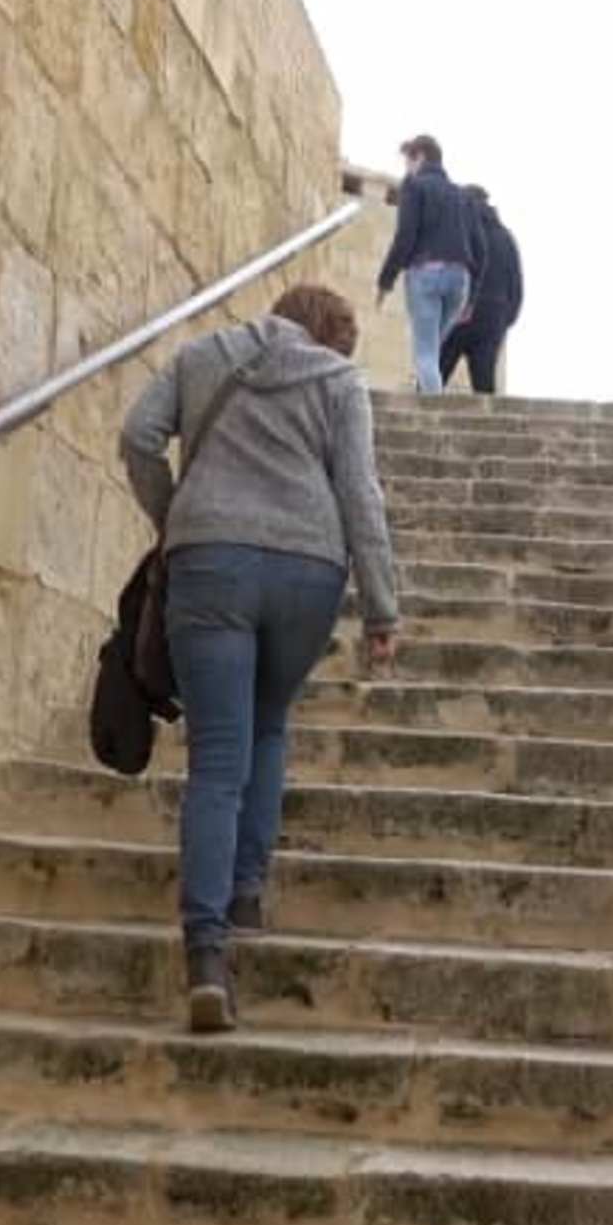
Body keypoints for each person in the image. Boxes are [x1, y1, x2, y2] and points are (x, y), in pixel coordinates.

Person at [120, 285, 400, 1033]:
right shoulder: (339, 381)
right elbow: (360, 494)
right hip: (309, 571)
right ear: (328, 338)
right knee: (269, 724)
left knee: (217, 757)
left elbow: (138, 436)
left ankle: (207, 957)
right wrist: (381, 610)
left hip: (210, 560)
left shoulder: (201, 354)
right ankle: (246, 894)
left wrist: (177, 516)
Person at [374, 134, 485, 394]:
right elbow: (481, 250)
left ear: (420, 157)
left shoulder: (414, 186)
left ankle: (436, 411)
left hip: (425, 275)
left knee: (425, 353)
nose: (407, 169)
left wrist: (385, 281)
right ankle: (425, 394)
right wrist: (471, 299)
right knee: (431, 351)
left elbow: (405, 237)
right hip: (460, 280)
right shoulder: (464, 197)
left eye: (408, 161)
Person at [438, 184, 522, 395]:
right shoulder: (505, 237)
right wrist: (504, 320)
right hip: (492, 316)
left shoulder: (457, 232)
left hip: (460, 312)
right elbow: (516, 286)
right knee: (484, 384)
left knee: (434, 378)